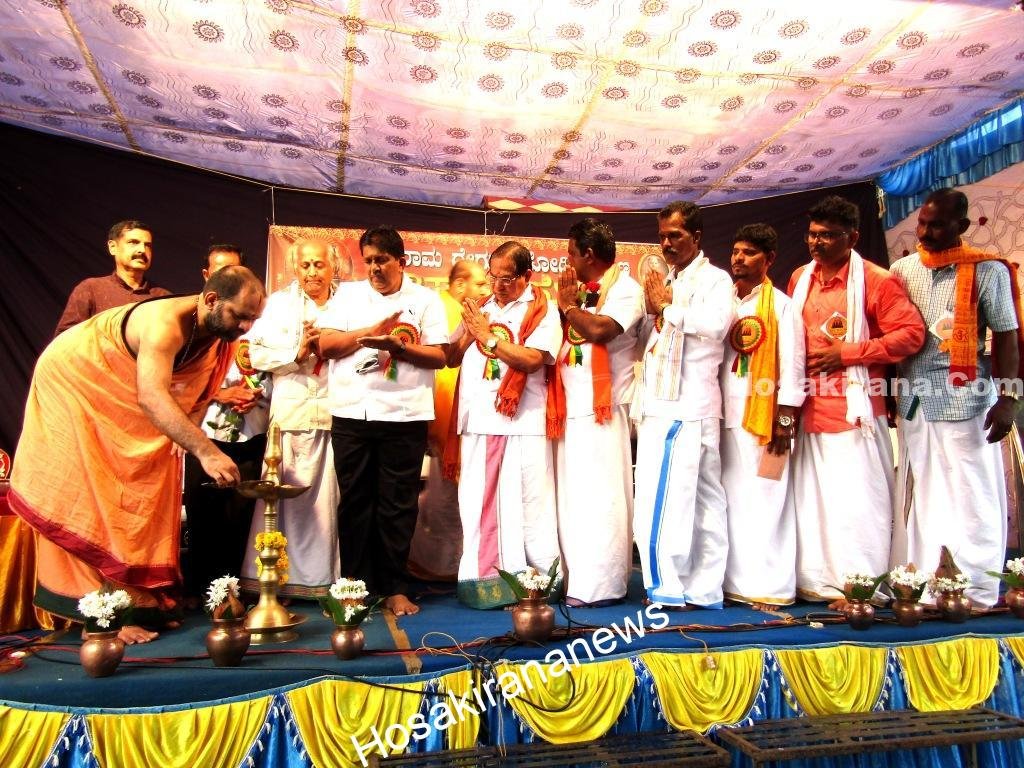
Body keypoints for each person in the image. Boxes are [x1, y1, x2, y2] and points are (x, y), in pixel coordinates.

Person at [9, 266, 265, 643]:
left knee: (143, 480)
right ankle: (101, 613)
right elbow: (151, 396)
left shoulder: (219, 337)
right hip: (72, 380)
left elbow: (198, 392)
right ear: (211, 300)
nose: (245, 327)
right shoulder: (165, 325)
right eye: (240, 316)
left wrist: (187, 435)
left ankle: (133, 597)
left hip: (117, 389)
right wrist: (206, 451)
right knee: (88, 490)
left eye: (253, 319)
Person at [787, 195, 925, 608]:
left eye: (828, 235)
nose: (817, 243)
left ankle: (861, 587)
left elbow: (911, 335)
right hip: (809, 409)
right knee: (813, 505)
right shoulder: (800, 278)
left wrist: (848, 353)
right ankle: (820, 584)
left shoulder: (876, 280)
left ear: (852, 238)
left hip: (855, 412)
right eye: (813, 235)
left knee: (858, 507)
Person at [890, 188, 1023, 609]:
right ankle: (931, 585)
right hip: (915, 398)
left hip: (968, 399)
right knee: (927, 493)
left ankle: (977, 588)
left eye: (937, 226)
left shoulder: (988, 270)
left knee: (971, 492)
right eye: (922, 224)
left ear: (961, 226)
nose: (925, 233)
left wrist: (1009, 398)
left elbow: (1007, 336)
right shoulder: (902, 269)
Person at [319, 227, 448, 616]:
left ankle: (395, 588)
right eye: (369, 261)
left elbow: (440, 356)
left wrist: (400, 347)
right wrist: (370, 333)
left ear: (401, 262)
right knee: (354, 502)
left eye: (382, 260)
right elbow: (326, 345)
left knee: (398, 504)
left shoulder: (425, 300)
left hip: (405, 414)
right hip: (351, 412)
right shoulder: (347, 296)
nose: (374, 268)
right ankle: (355, 586)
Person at [444, 241, 563, 609]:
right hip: (478, 422)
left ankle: (536, 584)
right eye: (492, 276)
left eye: (507, 279)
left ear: (527, 276)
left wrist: (487, 337)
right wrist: (469, 333)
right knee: (476, 503)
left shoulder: (542, 308)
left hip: (522, 423)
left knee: (530, 507)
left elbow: (533, 359)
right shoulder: (481, 307)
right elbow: (451, 356)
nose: (497, 285)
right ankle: (485, 582)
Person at [633, 201, 735, 608]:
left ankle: (671, 587)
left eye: (675, 235)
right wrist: (654, 310)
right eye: (662, 236)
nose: (666, 243)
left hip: (684, 407)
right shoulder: (666, 281)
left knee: (673, 501)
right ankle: (702, 589)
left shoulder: (715, 279)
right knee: (696, 500)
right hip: (671, 404)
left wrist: (666, 307)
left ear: (697, 236)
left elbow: (716, 326)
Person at [240, 238, 345, 599]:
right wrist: (295, 353)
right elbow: (255, 355)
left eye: (319, 264)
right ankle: (277, 579)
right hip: (291, 414)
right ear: (295, 268)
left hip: (334, 413)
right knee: (283, 500)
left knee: (328, 500)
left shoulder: (348, 303)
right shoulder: (278, 305)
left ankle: (323, 580)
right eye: (305, 265)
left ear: (333, 267)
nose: (312, 272)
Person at [554, 219, 643, 606]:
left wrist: (568, 306)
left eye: (571, 253)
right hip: (571, 409)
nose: (567, 261)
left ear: (588, 254)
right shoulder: (580, 290)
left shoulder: (626, 289)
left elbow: (600, 330)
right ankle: (576, 580)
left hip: (603, 412)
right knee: (574, 500)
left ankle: (602, 586)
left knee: (601, 499)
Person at [719, 224, 805, 609]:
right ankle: (732, 583)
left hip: (765, 420)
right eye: (736, 251)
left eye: (749, 252)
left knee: (768, 499)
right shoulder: (723, 302)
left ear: (769, 259)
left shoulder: (782, 306)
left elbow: (793, 366)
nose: (739, 258)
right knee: (731, 501)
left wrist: (785, 421)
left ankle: (771, 586)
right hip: (724, 416)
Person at [182, 245, 270, 604]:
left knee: (241, 516)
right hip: (203, 432)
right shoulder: (191, 324)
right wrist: (220, 393)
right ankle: (201, 592)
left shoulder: (258, 323)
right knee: (203, 514)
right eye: (220, 272)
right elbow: (178, 383)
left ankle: (233, 593)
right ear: (207, 278)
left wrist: (256, 394)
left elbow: (274, 368)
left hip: (251, 430)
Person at [409, 259, 490, 581]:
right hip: (446, 421)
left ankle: (446, 565)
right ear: (459, 285)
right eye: (480, 283)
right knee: (447, 500)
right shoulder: (446, 311)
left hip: (457, 421)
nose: (486, 289)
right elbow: (446, 371)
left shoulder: (463, 311)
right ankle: (439, 567)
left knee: (449, 498)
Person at [54, 220, 170, 336]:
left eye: (148, 245)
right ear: (113, 247)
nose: (142, 250)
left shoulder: (163, 297)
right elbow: (64, 339)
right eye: (133, 242)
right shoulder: (91, 289)